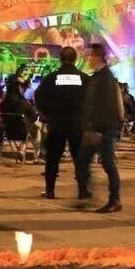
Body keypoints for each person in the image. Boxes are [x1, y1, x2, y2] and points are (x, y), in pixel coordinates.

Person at [76, 43, 124, 213]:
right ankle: (85, 194)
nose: (87, 59)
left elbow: (106, 106)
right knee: (83, 161)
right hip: (94, 129)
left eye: (89, 56)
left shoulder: (106, 79)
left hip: (103, 130)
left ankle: (114, 200)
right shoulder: (97, 77)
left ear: (97, 57)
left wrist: (97, 130)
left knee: (108, 163)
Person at [35, 47, 86, 198]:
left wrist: (46, 114)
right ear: (75, 59)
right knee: (79, 157)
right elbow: (92, 100)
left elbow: (38, 96)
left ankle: (50, 190)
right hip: (77, 122)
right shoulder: (84, 79)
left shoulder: (51, 78)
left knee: (53, 157)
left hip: (57, 121)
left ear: (60, 59)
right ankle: (82, 190)